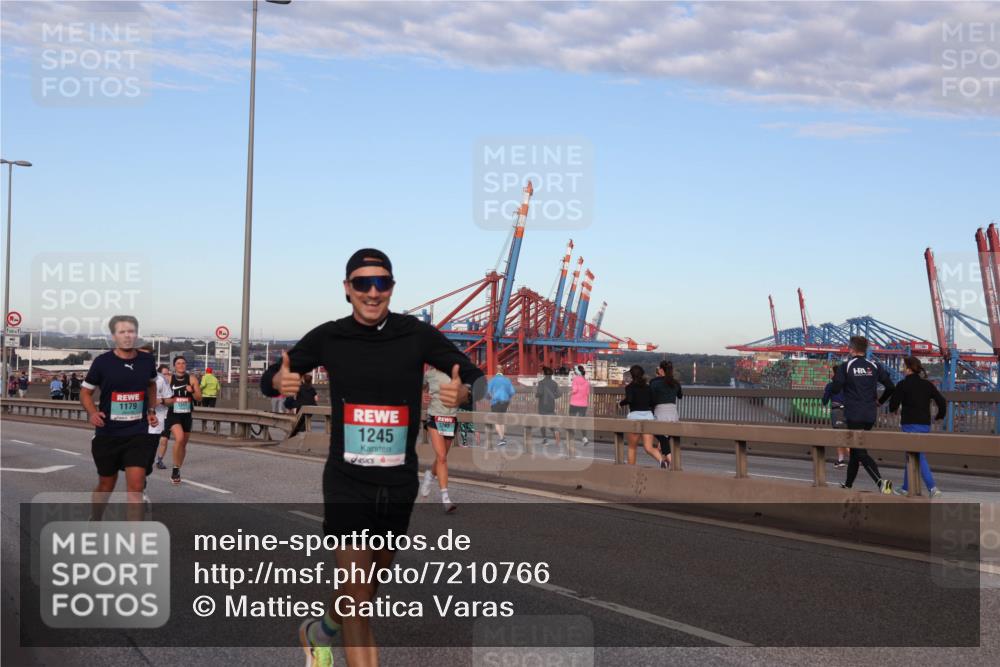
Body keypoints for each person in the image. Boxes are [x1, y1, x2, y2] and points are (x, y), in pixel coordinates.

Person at [260, 248, 483, 667]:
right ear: (348, 289)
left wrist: (468, 392)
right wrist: (279, 380)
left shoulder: (416, 335)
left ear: (392, 288)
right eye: (362, 283)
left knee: (365, 588)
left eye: (381, 282)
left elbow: (469, 373)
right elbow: (272, 378)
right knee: (360, 599)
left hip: (398, 482)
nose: (373, 291)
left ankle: (318, 631)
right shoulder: (329, 336)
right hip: (347, 481)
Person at [79, 315, 158, 521]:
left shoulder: (147, 360)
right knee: (106, 484)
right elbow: (85, 392)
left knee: (136, 486)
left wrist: (150, 410)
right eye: (122, 332)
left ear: (137, 334)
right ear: (114, 336)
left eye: (131, 331)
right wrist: (92, 413)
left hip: (137, 433)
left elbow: (151, 384)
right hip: (108, 433)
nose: (127, 336)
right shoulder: (102, 362)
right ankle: (96, 518)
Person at [829, 336, 895, 493]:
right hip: (870, 415)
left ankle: (881, 483)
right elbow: (891, 387)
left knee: (859, 450)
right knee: (855, 450)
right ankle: (848, 484)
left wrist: (836, 387)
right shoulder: (874, 365)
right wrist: (880, 401)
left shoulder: (847, 366)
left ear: (851, 349)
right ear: (865, 349)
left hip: (853, 414)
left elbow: (836, 387)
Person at [888, 356, 947, 497]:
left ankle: (932, 487)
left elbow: (893, 404)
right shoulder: (927, 384)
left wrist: (894, 409)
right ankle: (905, 488)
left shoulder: (902, 384)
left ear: (908, 369)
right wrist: (939, 416)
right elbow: (942, 401)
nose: (902, 369)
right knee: (911, 454)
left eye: (904, 367)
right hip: (925, 424)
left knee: (917, 455)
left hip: (909, 424)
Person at [421, 365, 460, 513]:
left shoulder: (457, 373)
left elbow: (467, 392)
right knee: (442, 457)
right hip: (434, 417)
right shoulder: (429, 374)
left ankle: (430, 475)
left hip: (450, 419)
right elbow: (421, 389)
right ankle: (446, 499)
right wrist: (423, 395)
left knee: (440, 457)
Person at [619, 365, 667, 468]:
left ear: (631, 375)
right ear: (642, 374)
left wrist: (620, 403)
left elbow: (630, 399)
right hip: (648, 417)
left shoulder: (629, 387)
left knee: (632, 447)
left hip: (634, 418)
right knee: (648, 447)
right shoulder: (648, 387)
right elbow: (653, 402)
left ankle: (631, 470)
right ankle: (661, 461)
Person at [163, 355, 201, 486]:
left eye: (183, 363)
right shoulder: (168, 379)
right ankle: (174, 470)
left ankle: (177, 468)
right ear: (174, 366)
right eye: (178, 363)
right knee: (178, 439)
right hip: (173, 413)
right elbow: (159, 392)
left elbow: (199, 398)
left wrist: (192, 391)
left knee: (183, 444)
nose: (181, 365)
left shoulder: (191, 379)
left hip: (186, 414)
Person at [650, 360, 682, 469]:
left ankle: (672, 462)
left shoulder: (654, 382)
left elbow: (651, 398)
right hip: (673, 413)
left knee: (659, 435)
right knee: (665, 439)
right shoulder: (675, 382)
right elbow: (680, 395)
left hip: (660, 412)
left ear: (661, 370)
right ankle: (665, 462)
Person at [821, 366, 849, 467]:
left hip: (837, 412)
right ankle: (840, 460)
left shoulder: (831, 385)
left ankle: (856, 459)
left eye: (832, 372)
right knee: (848, 435)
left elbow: (824, 401)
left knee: (840, 437)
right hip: (850, 412)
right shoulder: (848, 385)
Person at [153, 364, 174, 470]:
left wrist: (162, 400)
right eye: (164, 374)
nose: (166, 376)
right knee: (152, 441)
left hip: (166, 416)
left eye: (168, 374)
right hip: (153, 417)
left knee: (164, 440)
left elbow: (172, 401)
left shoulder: (172, 385)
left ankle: (159, 460)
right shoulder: (155, 382)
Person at [535, 366, 562, 447]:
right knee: (552, 422)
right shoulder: (554, 383)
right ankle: (556, 434)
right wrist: (553, 396)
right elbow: (559, 394)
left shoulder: (541, 383)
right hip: (551, 406)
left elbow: (539, 393)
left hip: (542, 406)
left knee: (542, 423)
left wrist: (536, 395)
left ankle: (545, 439)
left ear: (544, 374)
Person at [487, 369, 515, 447]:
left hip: (495, 402)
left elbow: (487, 392)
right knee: (501, 421)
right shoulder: (507, 380)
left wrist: (490, 398)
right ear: (502, 373)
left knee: (496, 421)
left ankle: (502, 439)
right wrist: (508, 398)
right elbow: (512, 392)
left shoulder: (492, 380)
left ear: (496, 373)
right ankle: (503, 438)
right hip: (505, 403)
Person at [567, 365, 591, 445]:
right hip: (583, 404)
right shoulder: (587, 381)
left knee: (571, 420)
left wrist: (569, 393)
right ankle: (584, 438)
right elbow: (587, 393)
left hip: (574, 403)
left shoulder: (575, 379)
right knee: (582, 421)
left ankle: (571, 438)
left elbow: (575, 390)